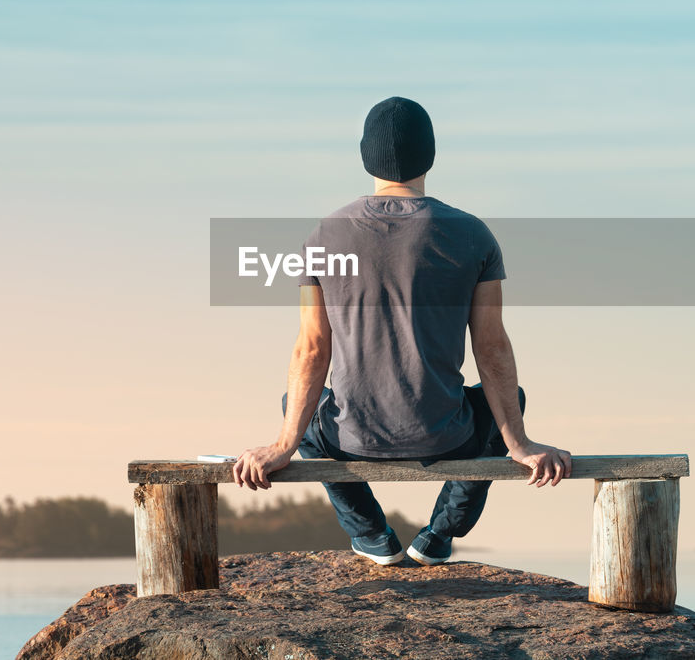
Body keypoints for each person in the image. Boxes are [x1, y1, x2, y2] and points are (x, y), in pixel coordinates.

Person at [233, 96, 571, 566]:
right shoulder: (473, 235)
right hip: (445, 434)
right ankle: (439, 535)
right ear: (430, 154)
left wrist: (283, 445)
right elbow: (491, 347)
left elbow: (312, 349)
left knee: (296, 408)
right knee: (510, 405)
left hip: (351, 436)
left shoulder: (322, 236)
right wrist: (520, 443)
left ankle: (371, 534)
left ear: (365, 155)